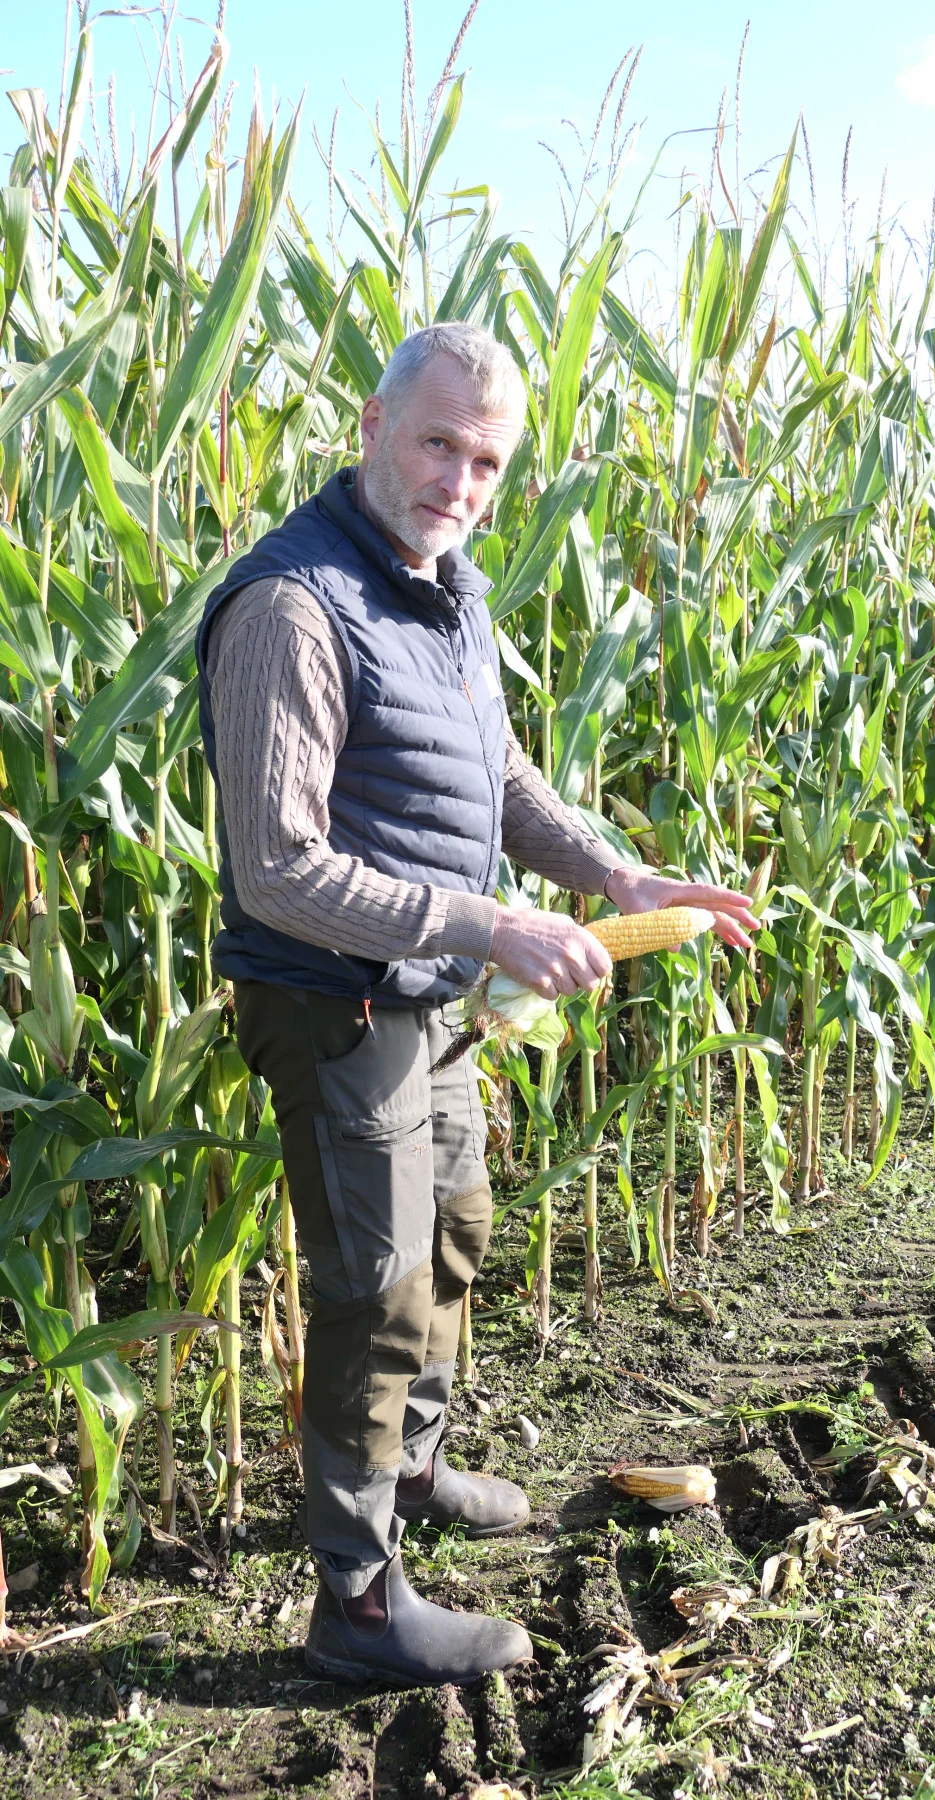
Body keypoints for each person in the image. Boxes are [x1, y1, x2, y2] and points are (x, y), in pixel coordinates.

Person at [195, 322, 756, 1687]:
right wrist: (488, 922)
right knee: (378, 1287)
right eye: (438, 441)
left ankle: (417, 1464)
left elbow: (495, 775)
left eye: (488, 458)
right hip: (335, 998)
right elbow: (278, 872)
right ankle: (358, 1595)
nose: (460, 475)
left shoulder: (446, 587)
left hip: (434, 991)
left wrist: (612, 871)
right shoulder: (295, 605)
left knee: (454, 1237)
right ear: (372, 427)